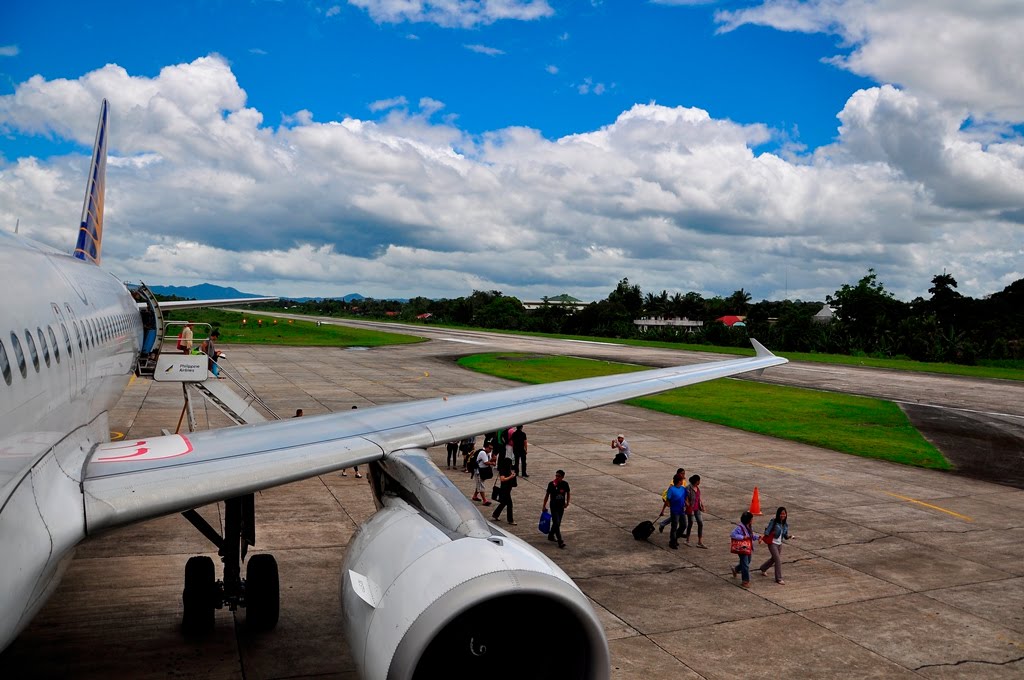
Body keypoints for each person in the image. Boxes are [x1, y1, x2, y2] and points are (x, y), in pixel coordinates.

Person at [758, 507, 794, 584]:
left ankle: (763, 568)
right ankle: (779, 578)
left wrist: (790, 536)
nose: (783, 515)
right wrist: (762, 537)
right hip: (772, 543)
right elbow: (767, 531)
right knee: (777, 560)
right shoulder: (774, 521)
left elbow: (785, 536)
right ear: (778, 514)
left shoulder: (785, 524)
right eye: (781, 514)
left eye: (784, 514)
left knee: (773, 559)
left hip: (779, 544)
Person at [730, 511, 760, 588]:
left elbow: (751, 536)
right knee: (745, 564)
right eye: (751, 519)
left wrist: (758, 537)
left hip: (748, 548)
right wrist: (742, 537)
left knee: (747, 561)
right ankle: (745, 581)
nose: (752, 520)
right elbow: (732, 534)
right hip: (742, 549)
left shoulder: (749, 527)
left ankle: (736, 569)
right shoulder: (740, 528)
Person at [542, 469, 571, 549]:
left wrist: (567, 503)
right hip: (554, 506)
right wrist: (544, 505)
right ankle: (560, 541)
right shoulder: (551, 484)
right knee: (557, 523)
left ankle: (551, 535)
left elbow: (568, 493)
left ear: (562, 477)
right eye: (556, 476)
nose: (557, 477)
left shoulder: (565, 484)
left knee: (557, 523)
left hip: (561, 507)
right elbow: (547, 495)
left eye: (559, 476)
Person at [659, 474, 687, 549]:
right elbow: (667, 500)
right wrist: (664, 509)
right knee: (674, 527)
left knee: (683, 525)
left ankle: (675, 538)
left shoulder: (683, 489)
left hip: (681, 510)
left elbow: (685, 498)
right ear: (679, 481)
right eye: (681, 480)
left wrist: (687, 504)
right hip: (674, 511)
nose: (683, 481)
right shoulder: (671, 490)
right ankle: (672, 542)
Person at [490, 457, 517, 525]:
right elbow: (502, 479)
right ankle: (510, 520)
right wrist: (511, 477)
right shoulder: (503, 470)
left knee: (504, 503)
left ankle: (495, 514)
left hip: (508, 489)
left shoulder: (508, 469)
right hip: (504, 489)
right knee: (509, 504)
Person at [683, 474, 706, 547]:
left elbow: (698, 497)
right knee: (691, 523)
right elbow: (685, 498)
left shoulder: (697, 488)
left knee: (700, 523)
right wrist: (688, 505)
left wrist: (702, 505)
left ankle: (700, 541)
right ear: (696, 481)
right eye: (699, 481)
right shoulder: (688, 488)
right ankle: (687, 540)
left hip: (697, 508)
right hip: (691, 508)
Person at [342, 405, 362, 478]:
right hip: (349, 440)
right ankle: (353, 472)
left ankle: (350, 472)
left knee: (352, 456)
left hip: (354, 440)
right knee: (349, 456)